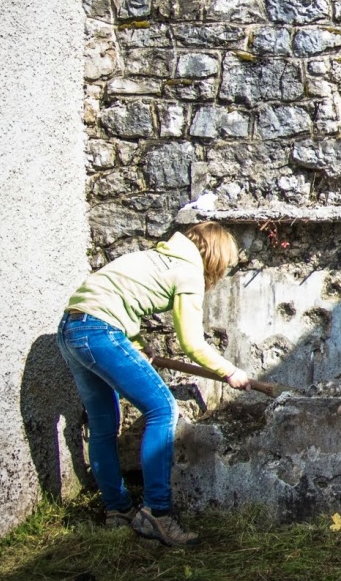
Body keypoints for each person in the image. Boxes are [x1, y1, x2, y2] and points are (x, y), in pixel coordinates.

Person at [55, 222, 250, 547]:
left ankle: (118, 510)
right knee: (163, 409)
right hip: (99, 331)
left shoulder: (155, 258)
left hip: (72, 329)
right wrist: (230, 372)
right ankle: (156, 512)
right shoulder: (188, 272)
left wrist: (137, 343)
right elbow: (192, 343)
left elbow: (119, 298)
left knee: (104, 425)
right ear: (215, 257)